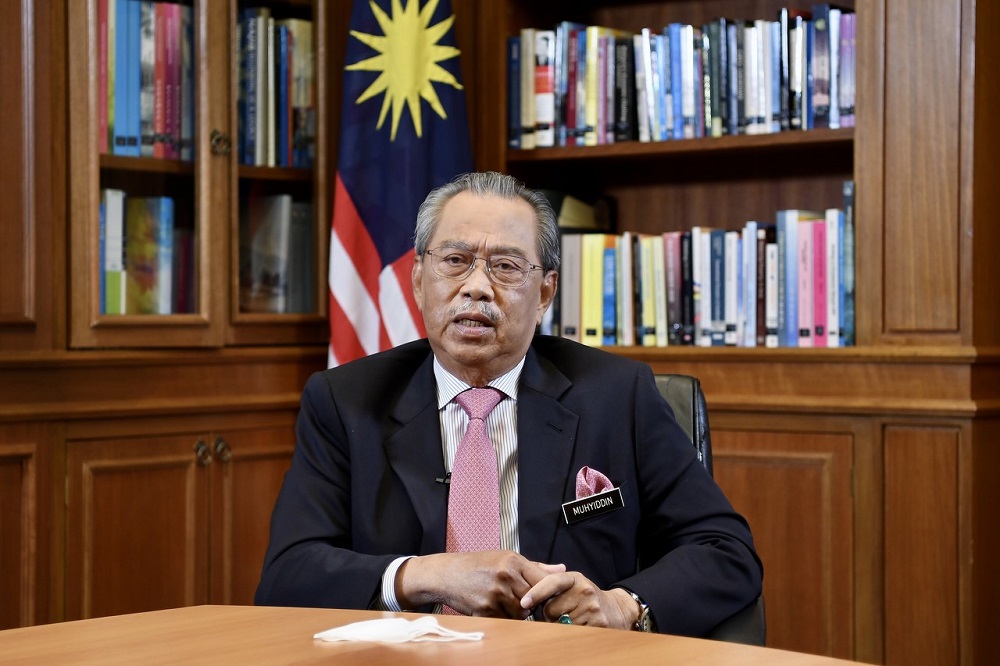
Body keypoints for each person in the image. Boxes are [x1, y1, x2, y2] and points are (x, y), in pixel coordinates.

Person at [255, 171, 762, 635]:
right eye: (454, 261)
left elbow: (726, 552)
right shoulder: (344, 402)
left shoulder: (618, 395)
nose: (476, 288)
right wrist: (427, 574)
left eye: (505, 266)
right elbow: (287, 575)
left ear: (544, 292)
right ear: (417, 280)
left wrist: (624, 605)